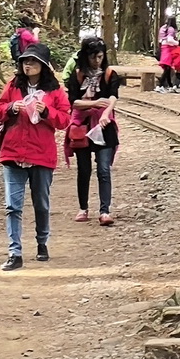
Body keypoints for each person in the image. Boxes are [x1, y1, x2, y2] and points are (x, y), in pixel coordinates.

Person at [0, 41, 71, 270]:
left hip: (41, 154)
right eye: (25, 61)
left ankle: (42, 242)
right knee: (12, 206)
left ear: (43, 65)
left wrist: (46, 112)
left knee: (41, 204)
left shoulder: (55, 90)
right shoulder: (13, 85)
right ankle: (14, 253)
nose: (28, 65)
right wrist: (10, 108)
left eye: (33, 61)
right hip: (12, 152)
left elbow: (65, 120)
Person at [63, 35, 127, 224]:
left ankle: (104, 210)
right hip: (81, 125)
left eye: (99, 57)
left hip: (104, 124)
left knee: (103, 169)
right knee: (84, 169)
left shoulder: (109, 74)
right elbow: (72, 101)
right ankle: (83, 208)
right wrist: (92, 103)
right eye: (93, 57)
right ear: (85, 56)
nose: (96, 61)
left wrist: (106, 112)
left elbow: (113, 96)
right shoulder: (77, 75)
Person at [157, 17, 180, 92]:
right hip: (169, 48)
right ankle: (160, 85)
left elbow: (161, 39)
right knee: (167, 68)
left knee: (167, 68)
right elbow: (169, 39)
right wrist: (178, 44)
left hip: (163, 47)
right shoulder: (171, 29)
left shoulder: (163, 27)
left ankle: (170, 85)